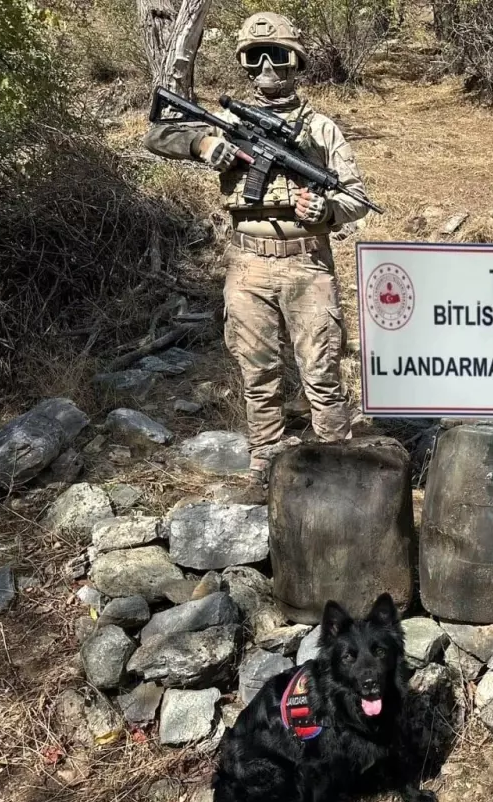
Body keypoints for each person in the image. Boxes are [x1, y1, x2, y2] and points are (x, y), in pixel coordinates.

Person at [144, 12, 369, 478]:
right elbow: (157, 132)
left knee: (322, 374)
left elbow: (357, 197)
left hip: (307, 263)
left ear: (296, 61)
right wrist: (204, 145)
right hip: (247, 263)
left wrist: (325, 211)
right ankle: (265, 458)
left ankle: (336, 462)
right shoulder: (226, 121)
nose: (267, 65)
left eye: (278, 55)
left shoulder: (320, 129)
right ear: (244, 63)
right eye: (255, 56)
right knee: (258, 374)